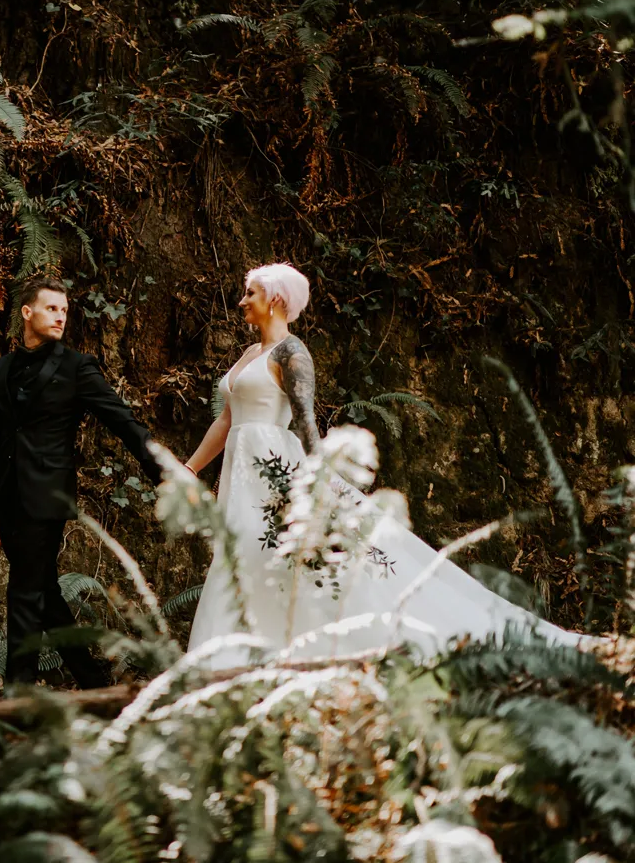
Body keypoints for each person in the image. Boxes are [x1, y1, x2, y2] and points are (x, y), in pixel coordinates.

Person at [182, 262, 586, 667]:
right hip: (242, 473)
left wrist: (319, 481)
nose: (242, 302)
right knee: (242, 555)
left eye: (250, 293)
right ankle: (253, 656)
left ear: (274, 299)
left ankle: (279, 655)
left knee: (272, 557)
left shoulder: (293, 352)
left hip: (277, 470)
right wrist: (191, 468)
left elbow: (306, 419)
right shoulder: (252, 353)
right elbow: (226, 419)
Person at [0, 276, 164, 689]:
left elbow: (121, 419)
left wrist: (163, 468)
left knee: (24, 597)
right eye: (52, 308)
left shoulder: (75, 367)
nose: (61, 316)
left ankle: (19, 700)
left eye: (64, 310)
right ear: (27, 313)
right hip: (9, 502)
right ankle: (96, 684)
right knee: (43, 594)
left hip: (46, 498)